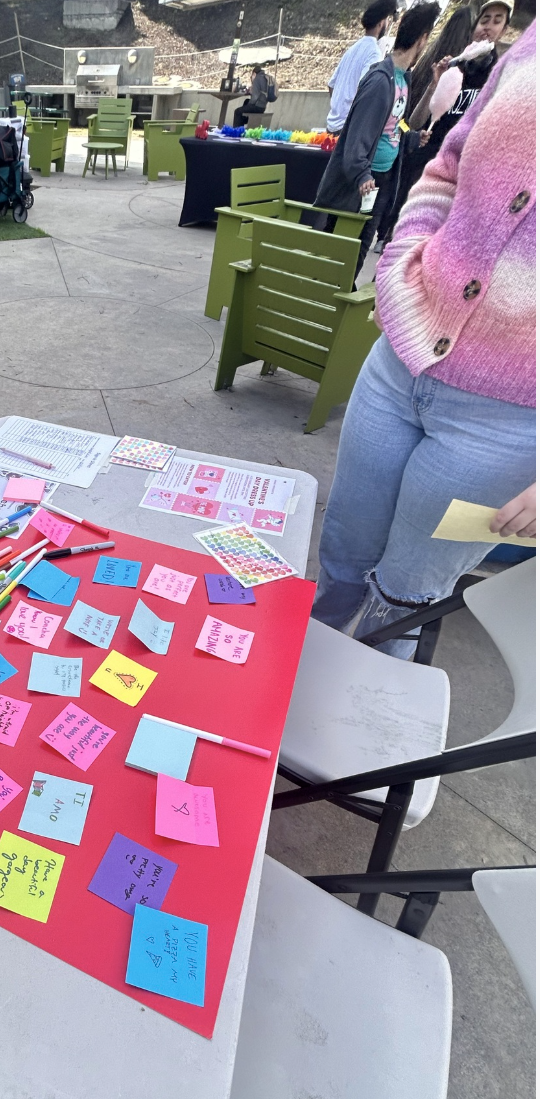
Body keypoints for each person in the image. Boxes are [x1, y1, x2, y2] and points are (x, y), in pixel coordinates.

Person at [312, 22, 536, 658]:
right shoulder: (530, 45)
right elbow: (450, 161)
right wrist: (402, 261)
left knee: (403, 599)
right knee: (342, 557)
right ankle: (296, 685)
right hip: (400, 360)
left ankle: (359, 717)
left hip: (508, 421)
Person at [313, 2, 441, 273]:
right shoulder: (380, 81)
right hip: (361, 184)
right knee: (337, 253)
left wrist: (411, 137)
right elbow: (357, 136)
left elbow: (396, 124)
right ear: (422, 39)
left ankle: (339, 293)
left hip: (382, 180)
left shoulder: (402, 80)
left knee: (358, 252)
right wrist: (362, 174)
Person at [381, 0, 513, 240]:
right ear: (473, 28)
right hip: (426, 167)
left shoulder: (500, 76)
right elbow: (415, 122)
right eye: (484, 20)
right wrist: (435, 84)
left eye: (497, 21)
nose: (488, 27)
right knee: (404, 237)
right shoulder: (453, 67)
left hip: (460, 177)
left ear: (504, 30)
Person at [326, 0, 400, 133]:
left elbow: (332, 85)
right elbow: (366, 89)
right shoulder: (374, 53)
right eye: (387, 20)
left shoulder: (352, 49)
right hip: (347, 129)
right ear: (381, 23)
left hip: (332, 126)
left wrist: (339, 110)